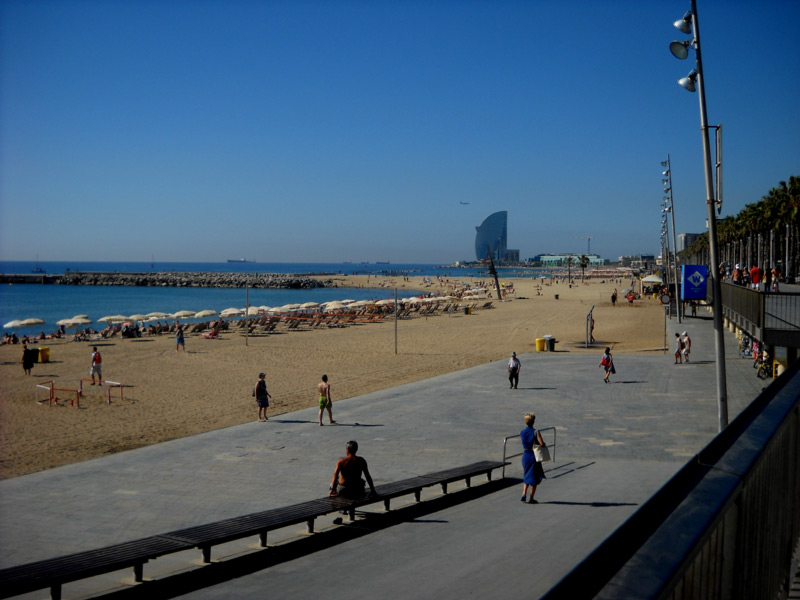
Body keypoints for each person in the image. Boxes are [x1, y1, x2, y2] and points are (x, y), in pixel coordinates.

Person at [520, 413, 546, 504]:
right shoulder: (535, 432)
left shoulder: (522, 432)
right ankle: (531, 498)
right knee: (534, 477)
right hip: (533, 456)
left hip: (525, 455)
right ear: (533, 422)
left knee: (526, 474)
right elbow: (541, 444)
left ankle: (524, 493)